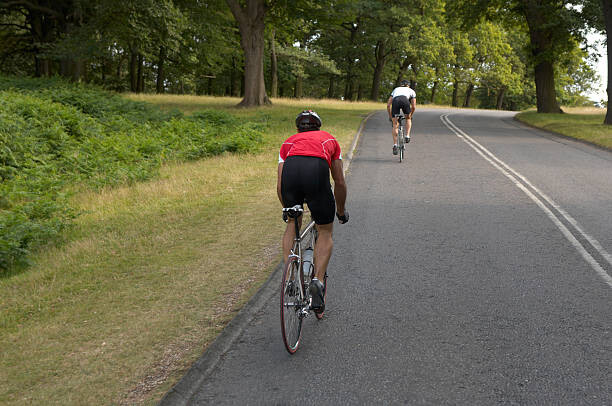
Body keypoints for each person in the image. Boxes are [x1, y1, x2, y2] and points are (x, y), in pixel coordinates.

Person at [277, 110, 349, 313]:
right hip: (316, 172)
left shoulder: (288, 142)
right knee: (325, 230)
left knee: (293, 222)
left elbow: (280, 183)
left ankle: (290, 276)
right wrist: (341, 211)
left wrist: (288, 209)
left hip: (291, 174)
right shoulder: (329, 140)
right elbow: (340, 182)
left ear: (297, 128)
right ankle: (317, 280)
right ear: (319, 126)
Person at [387, 79, 416, 155]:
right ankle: (407, 136)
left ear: (401, 85)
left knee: (395, 125)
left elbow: (388, 105)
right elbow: (413, 106)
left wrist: (391, 117)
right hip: (405, 100)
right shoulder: (411, 91)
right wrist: (410, 116)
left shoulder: (396, 89)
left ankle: (395, 145)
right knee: (408, 119)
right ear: (408, 85)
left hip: (395, 101)